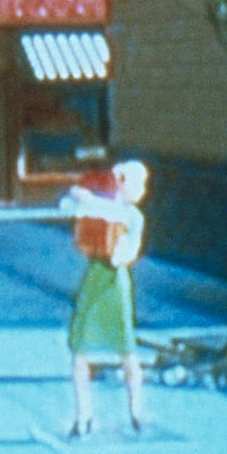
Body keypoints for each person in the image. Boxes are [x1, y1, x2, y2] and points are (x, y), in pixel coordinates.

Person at [60, 159, 151, 437]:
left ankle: (136, 412)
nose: (140, 190)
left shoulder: (133, 216)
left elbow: (128, 251)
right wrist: (82, 197)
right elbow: (67, 205)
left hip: (115, 281)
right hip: (96, 277)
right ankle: (83, 415)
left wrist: (90, 202)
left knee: (126, 348)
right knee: (80, 348)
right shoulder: (101, 207)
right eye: (134, 183)